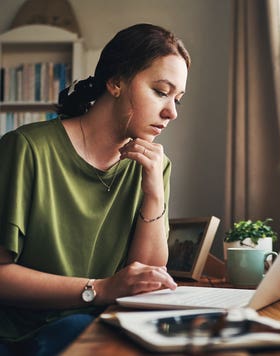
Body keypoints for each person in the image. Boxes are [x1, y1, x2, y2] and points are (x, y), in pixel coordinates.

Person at [0, 23, 191, 355]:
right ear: (116, 82)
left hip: (110, 323)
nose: (171, 112)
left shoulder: (154, 166)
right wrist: (100, 289)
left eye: (178, 98)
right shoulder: (26, 149)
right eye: (161, 91)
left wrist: (154, 193)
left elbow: (146, 276)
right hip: (26, 333)